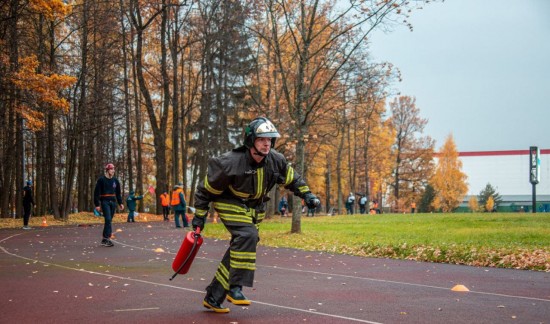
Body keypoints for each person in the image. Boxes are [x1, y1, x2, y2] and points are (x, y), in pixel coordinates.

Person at [191, 117, 320, 313]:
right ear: (251, 140)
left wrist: (308, 194)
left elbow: (293, 179)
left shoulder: (276, 160)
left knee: (243, 244)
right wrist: (199, 216)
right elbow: (204, 190)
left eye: (270, 139)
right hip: (228, 201)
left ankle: (213, 296)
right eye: (262, 139)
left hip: (256, 208)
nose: (267, 143)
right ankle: (235, 288)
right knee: (247, 235)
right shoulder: (229, 163)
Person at [94, 163, 124, 247]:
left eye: (114, 169)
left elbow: (118, 193)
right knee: (107, 219)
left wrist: (120, 203)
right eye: (111, 169)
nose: (113, 171)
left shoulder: (115, 181)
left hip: (113, 202)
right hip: (105, 202)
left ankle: (104, 239)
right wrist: (97, 204)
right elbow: (96, 193)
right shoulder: (101, 180)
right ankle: (107, 238)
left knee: (109, 220)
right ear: (107, 170)